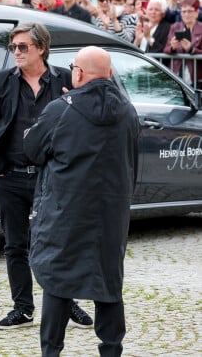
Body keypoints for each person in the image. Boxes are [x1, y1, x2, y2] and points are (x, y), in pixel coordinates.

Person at [22, 45, 139, 357]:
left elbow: (32, 148)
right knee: (108, 282)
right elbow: (132, 161)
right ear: (110, 74)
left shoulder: (61, 109)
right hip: (111, 213)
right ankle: (112, 349)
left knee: (58, 280)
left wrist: (61, 106)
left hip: (65, 210)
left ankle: (51, 351)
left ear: (79, 73)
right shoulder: (127, 111)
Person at [0, 22, 93, 330]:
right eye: (13, 47)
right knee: (15, 245)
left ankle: (66, 304)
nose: (16, 52)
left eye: (22, 47)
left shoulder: (65, 79)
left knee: (59, 242)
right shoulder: (2, 81)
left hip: (52, 176)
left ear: (41, 48)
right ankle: (23, 307)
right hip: (10, 176)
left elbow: (83, 122)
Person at [163, 0, 202, 87]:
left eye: (190, 11)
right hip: (175, 73)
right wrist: (172, 47)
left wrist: (191, 49)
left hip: (195, 76)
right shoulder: (175, 27)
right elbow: (165, 49)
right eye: (183, 11)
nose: (186, 14)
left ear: (197, 12)